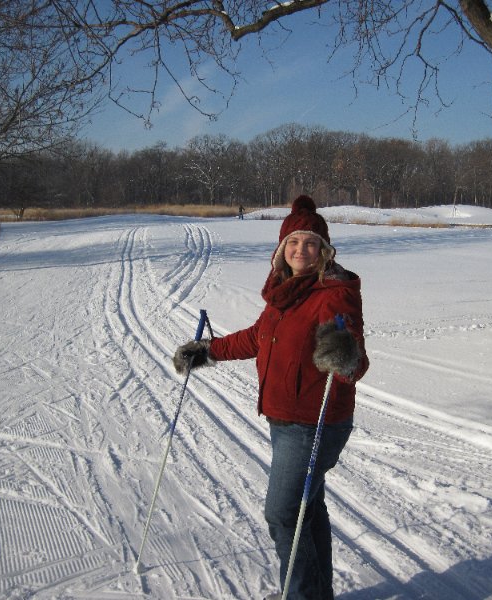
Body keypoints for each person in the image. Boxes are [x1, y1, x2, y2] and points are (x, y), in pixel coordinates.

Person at [173, 195, 369, 599]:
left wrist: (343, 354)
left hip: (314, 423)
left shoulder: (334, 293)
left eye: (311, 243)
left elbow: (356, 361)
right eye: (293, 243)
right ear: (281, 250)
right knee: (306, 512)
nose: (301, 250)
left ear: (324, 251)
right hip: (285, 420)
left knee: (282, 514)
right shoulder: (285, 293)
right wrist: (208, 350)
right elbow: (257, 338)